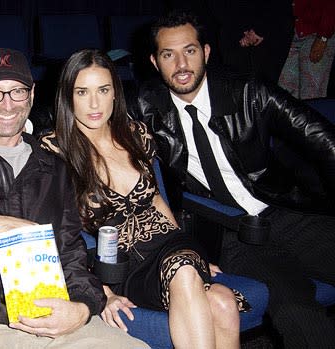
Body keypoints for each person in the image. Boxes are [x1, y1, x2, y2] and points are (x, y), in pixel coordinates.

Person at [128, 11, 335, 348]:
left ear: (206, 52)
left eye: (190, 51)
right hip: (232, 233)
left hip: (284, 211)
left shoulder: (250, 91)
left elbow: (323, 140)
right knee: (296, 310)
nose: (181, 64)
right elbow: (84, 109)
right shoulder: (145, 105)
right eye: (169, 55)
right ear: (154, 61)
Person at [0, 47, 149, 349]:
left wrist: (83, 307)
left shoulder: (53, 169)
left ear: (32, 95)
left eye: (17, 92)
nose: (7, 104)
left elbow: (72, 257)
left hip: (52, 319)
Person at [44, 48, 247, 349]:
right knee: (219, 299)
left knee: (219, 299)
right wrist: (103, 292)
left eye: (103, 90)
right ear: (67, 96)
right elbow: (61, 236)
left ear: (116, 92)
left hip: (170, 245)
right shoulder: (55, 152)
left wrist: (193, 255)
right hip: (121, 265)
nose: (95, 103)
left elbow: (155, 199)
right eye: (82, 92)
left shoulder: (134, 133)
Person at [278, 0, 335, 99]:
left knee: (312, 93)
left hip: (317, 33)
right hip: (291, 33)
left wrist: (323, 37)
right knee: (284, 92)